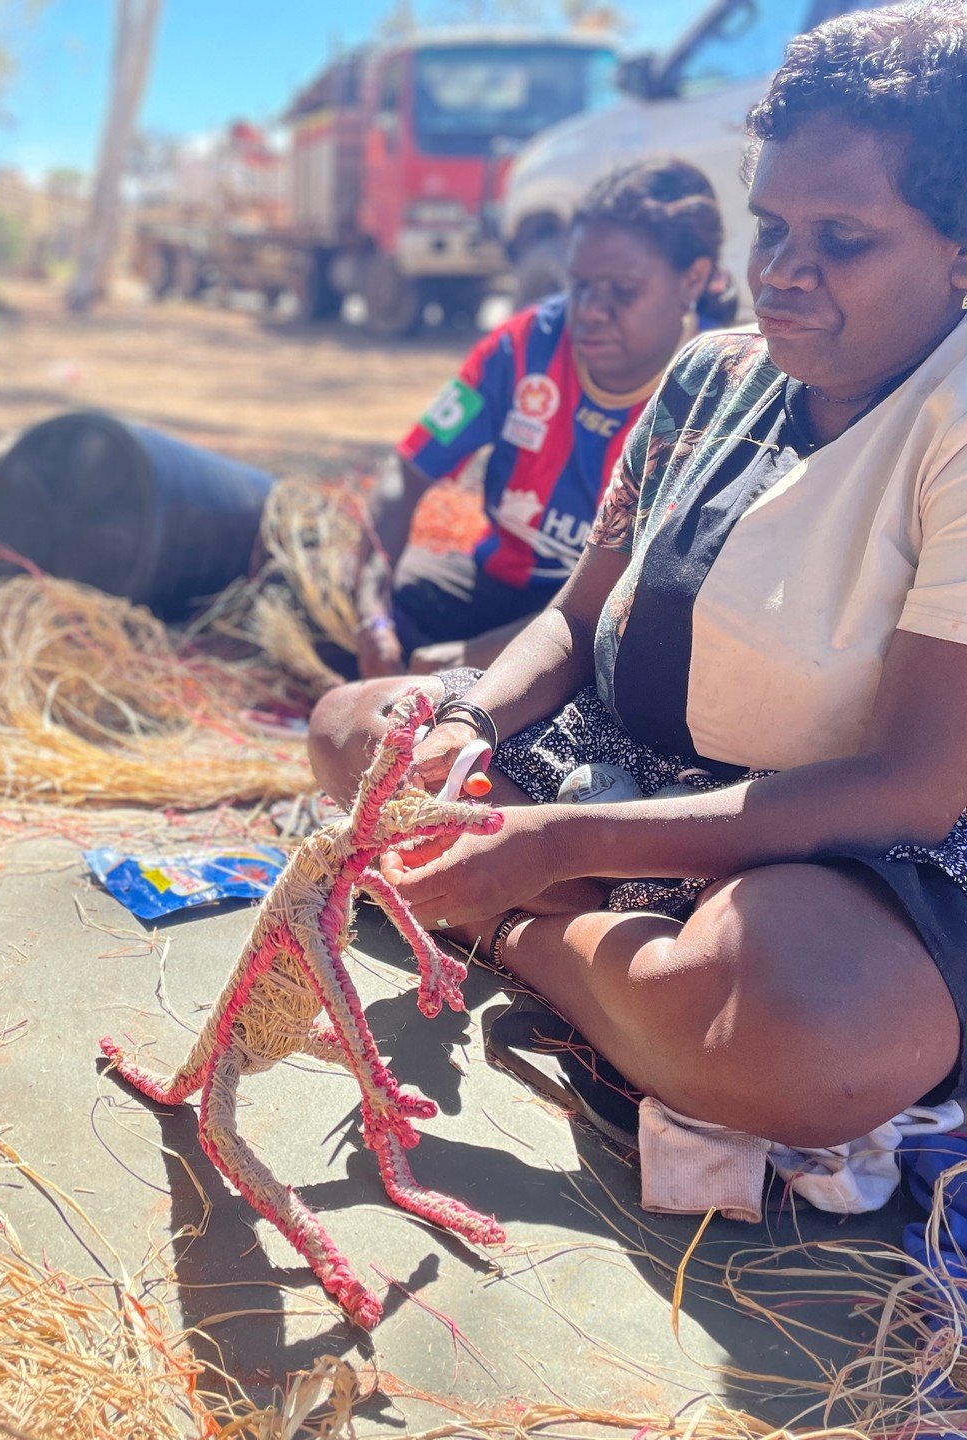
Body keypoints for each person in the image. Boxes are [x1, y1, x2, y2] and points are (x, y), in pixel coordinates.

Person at [310, 1, 967, 1189]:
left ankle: (521, 931)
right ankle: (623, 962)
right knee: (360, 728)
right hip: (615, 768)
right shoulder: (711, 375)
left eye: (843, 238)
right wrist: (469, 725)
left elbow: (914, 790)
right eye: (772, 226)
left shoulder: (953, 423)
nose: (784, 272)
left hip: (832, 849)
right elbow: (575, 615)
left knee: (818, 1038)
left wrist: (546, 852)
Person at [355, 158, 737, 680]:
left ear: (692, 278)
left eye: (622, 291)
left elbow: (640, 597)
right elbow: (407, 472)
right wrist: (372, 614)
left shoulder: (719, 389)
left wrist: (475, 658)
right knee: (354, 594)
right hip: (496, 590)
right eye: (579, 285)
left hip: (601, 625)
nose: (591, 311)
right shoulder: (522, 345)